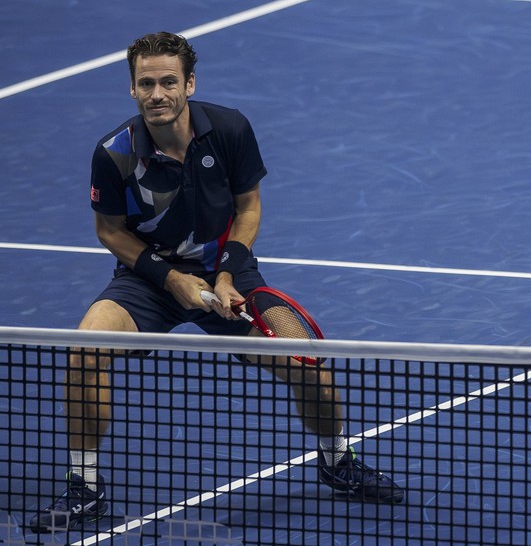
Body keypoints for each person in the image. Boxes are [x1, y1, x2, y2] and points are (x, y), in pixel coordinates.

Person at [30, 32, 403, 534]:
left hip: (229, 272)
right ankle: (85, 487)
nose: (157, 93)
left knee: (307, 361)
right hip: (148, 279)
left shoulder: (229, 129)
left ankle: (337, 461)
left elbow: (248, 207)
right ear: (132, 89)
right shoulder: (114, 153)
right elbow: (109, 231)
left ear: (189, 83)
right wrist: (172, 279)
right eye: (146, 83)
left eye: (168, 82)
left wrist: (226, 273)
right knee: (85, 350)